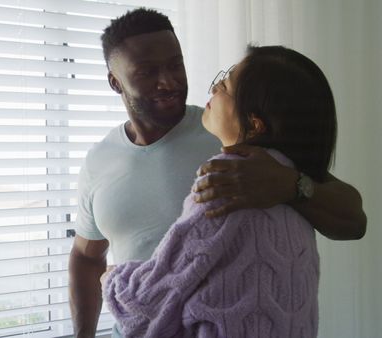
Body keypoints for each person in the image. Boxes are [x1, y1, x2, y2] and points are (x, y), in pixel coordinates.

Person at [68, 8, 367, 338]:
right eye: (147, 71)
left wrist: (289, 184)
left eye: (175, 64)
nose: (168, 80)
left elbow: (354, 219)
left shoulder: (238, 142)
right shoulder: (99, 161)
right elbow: (85, 256)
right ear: (115, 82)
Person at [101, 44, 333, 337]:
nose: (212, 90)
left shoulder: (227, 179)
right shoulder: (293, 178)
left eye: (224, 86)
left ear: (254, 122)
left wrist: (112, 280)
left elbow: (149, 301)